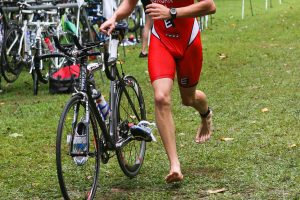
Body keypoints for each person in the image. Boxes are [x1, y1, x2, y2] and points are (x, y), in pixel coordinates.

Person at [100, 0, 216, 183]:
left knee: (189, 98)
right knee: (161, 97)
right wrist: (114, 17)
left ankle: (206, 113)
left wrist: (172, 12)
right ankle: (174, 165)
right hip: (161, 41)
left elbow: (210, 6)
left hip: (189, 41)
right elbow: (129, 3)